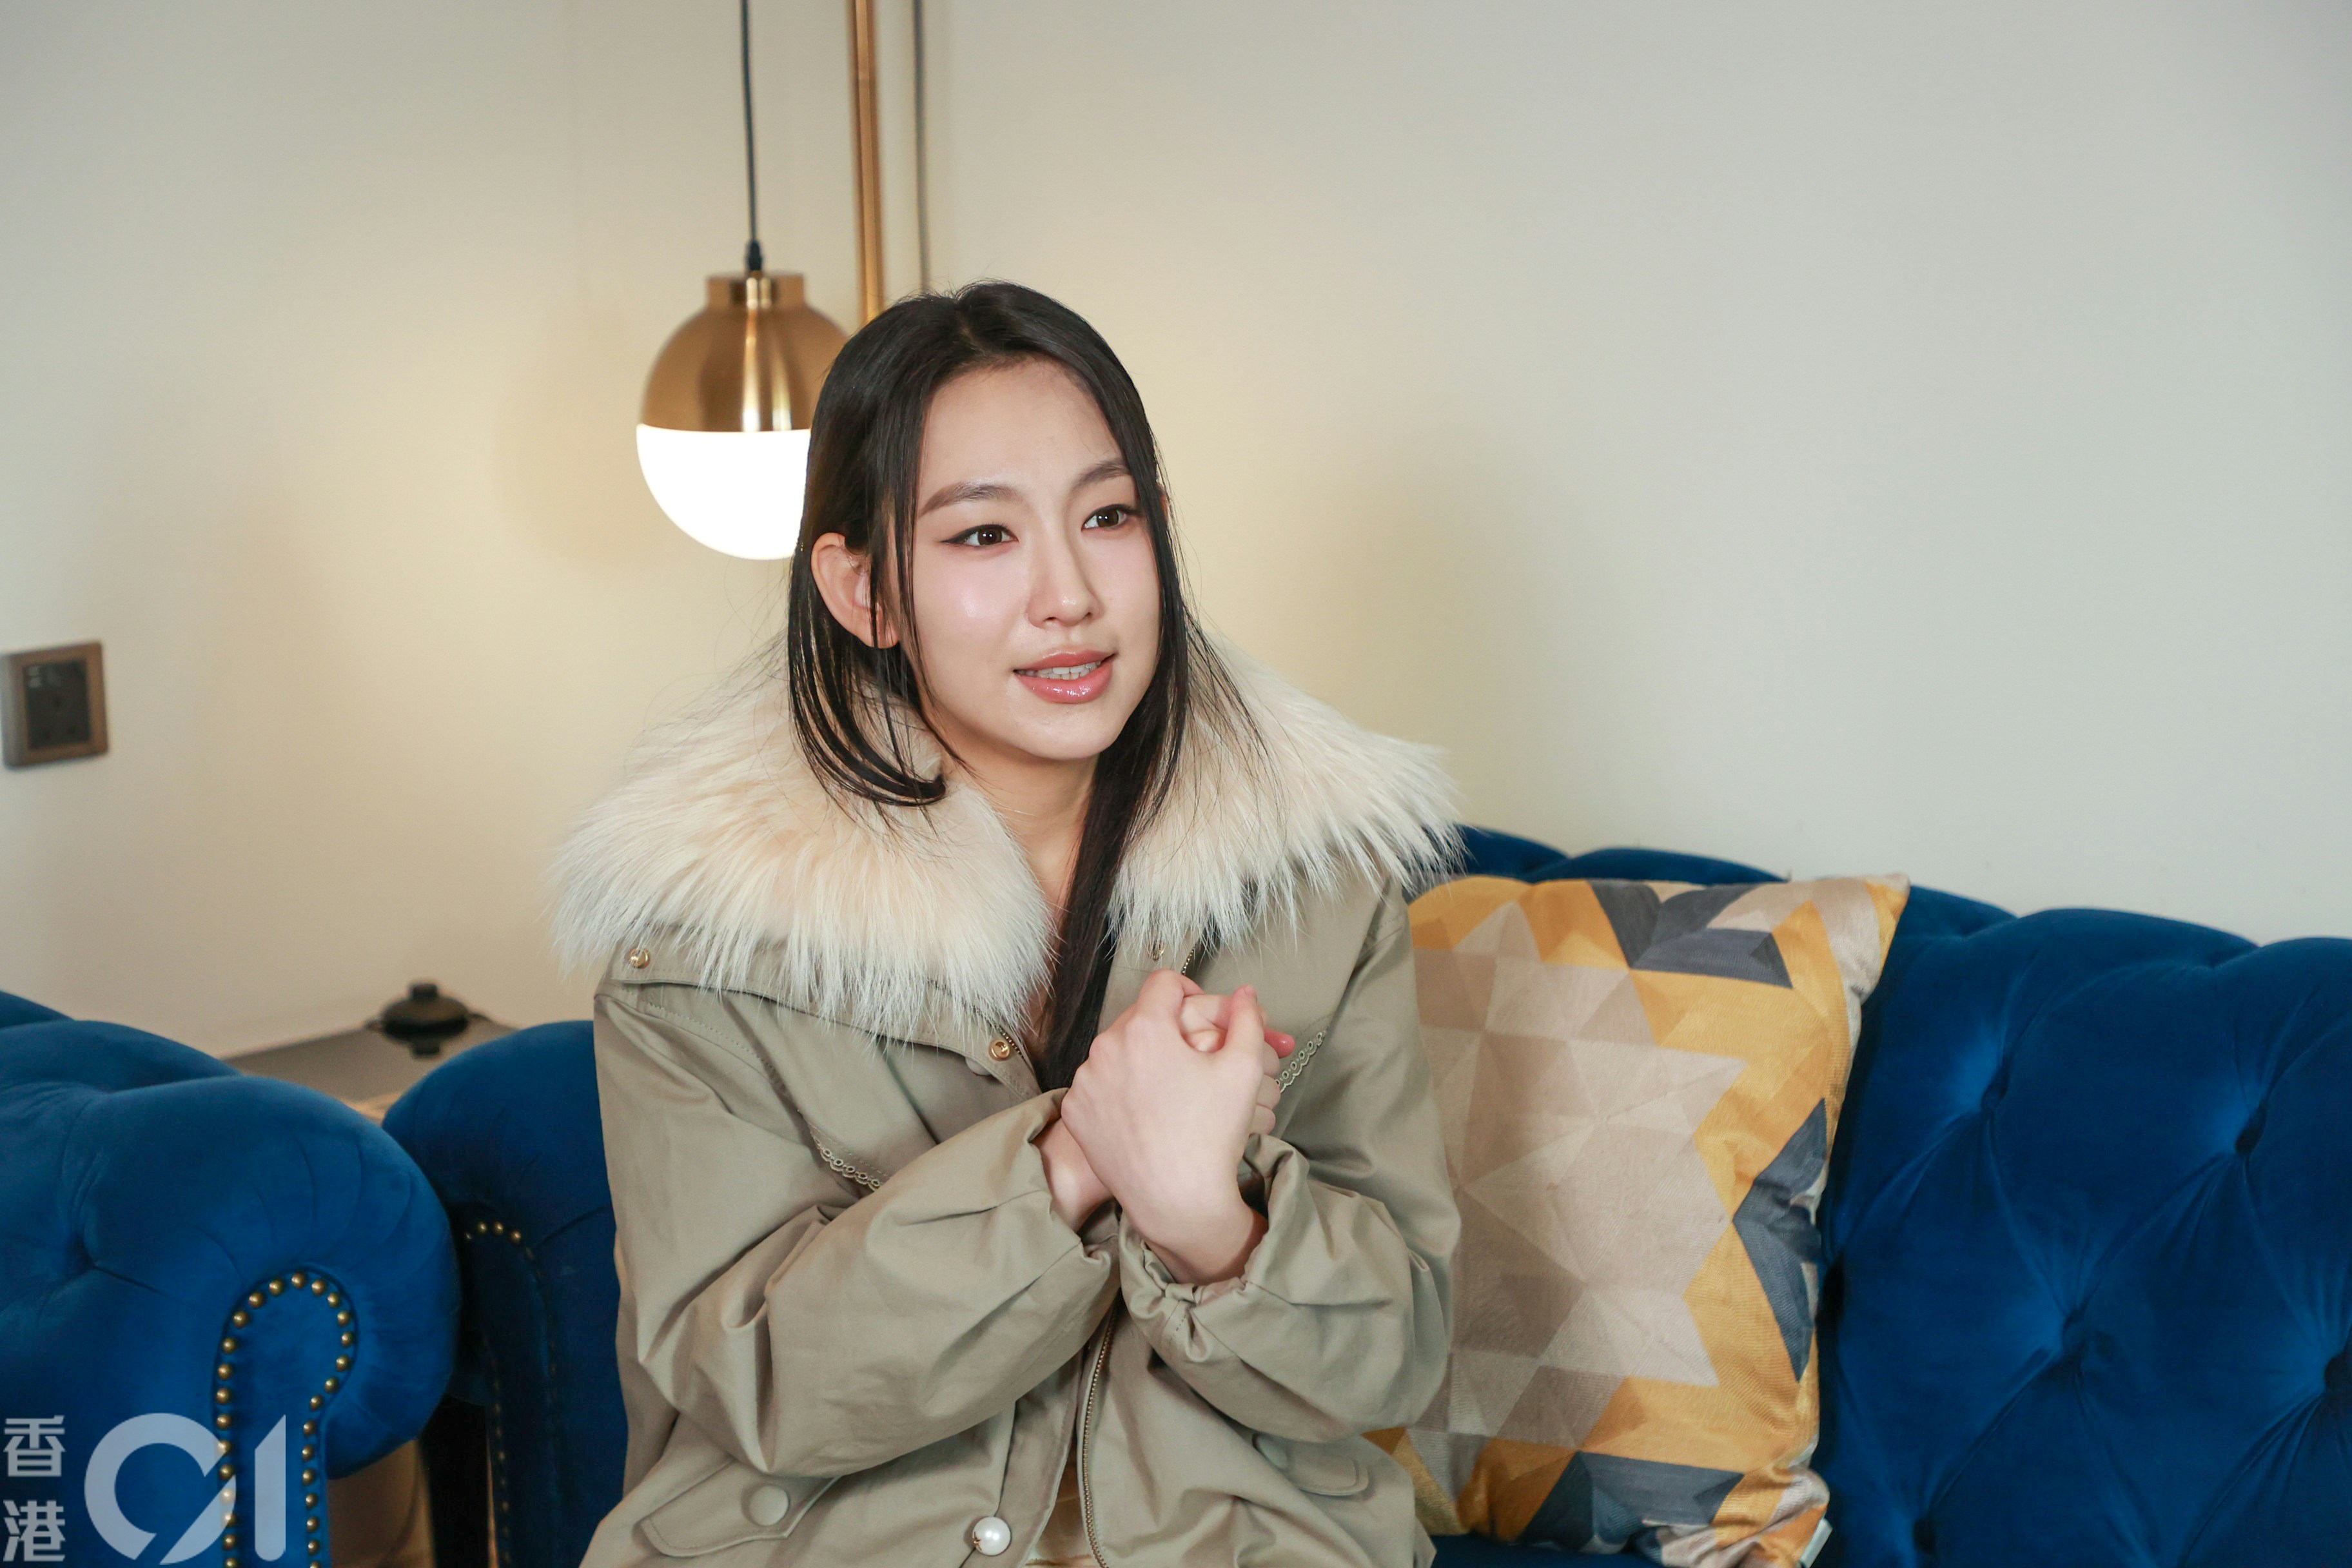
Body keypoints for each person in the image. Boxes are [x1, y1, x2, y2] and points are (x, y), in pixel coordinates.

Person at [555, 281, 1461, 1568]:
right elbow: (758, 1377)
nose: (1070, 595)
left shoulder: (1320, 886)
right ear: (864, 590)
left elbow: (1396, 1358)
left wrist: (1211, 1223)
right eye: (983, 535)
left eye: (1109, 516)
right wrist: (1079, 1156)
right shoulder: (705, 937)